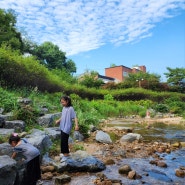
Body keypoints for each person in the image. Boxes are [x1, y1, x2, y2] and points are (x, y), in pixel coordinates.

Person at [55, 95, 79, 162]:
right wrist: (58, 120)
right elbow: (62, 116)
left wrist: (76, 125)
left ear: (67, 101)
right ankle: (65, 153)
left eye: (63, 102)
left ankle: (66, 154)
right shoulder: (64, 108)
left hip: (67, 126)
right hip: (62, 126)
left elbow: (75, 117)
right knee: (62, 140)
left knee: (64, 140)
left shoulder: (70, 108)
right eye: (61, 102)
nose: (62, 104)